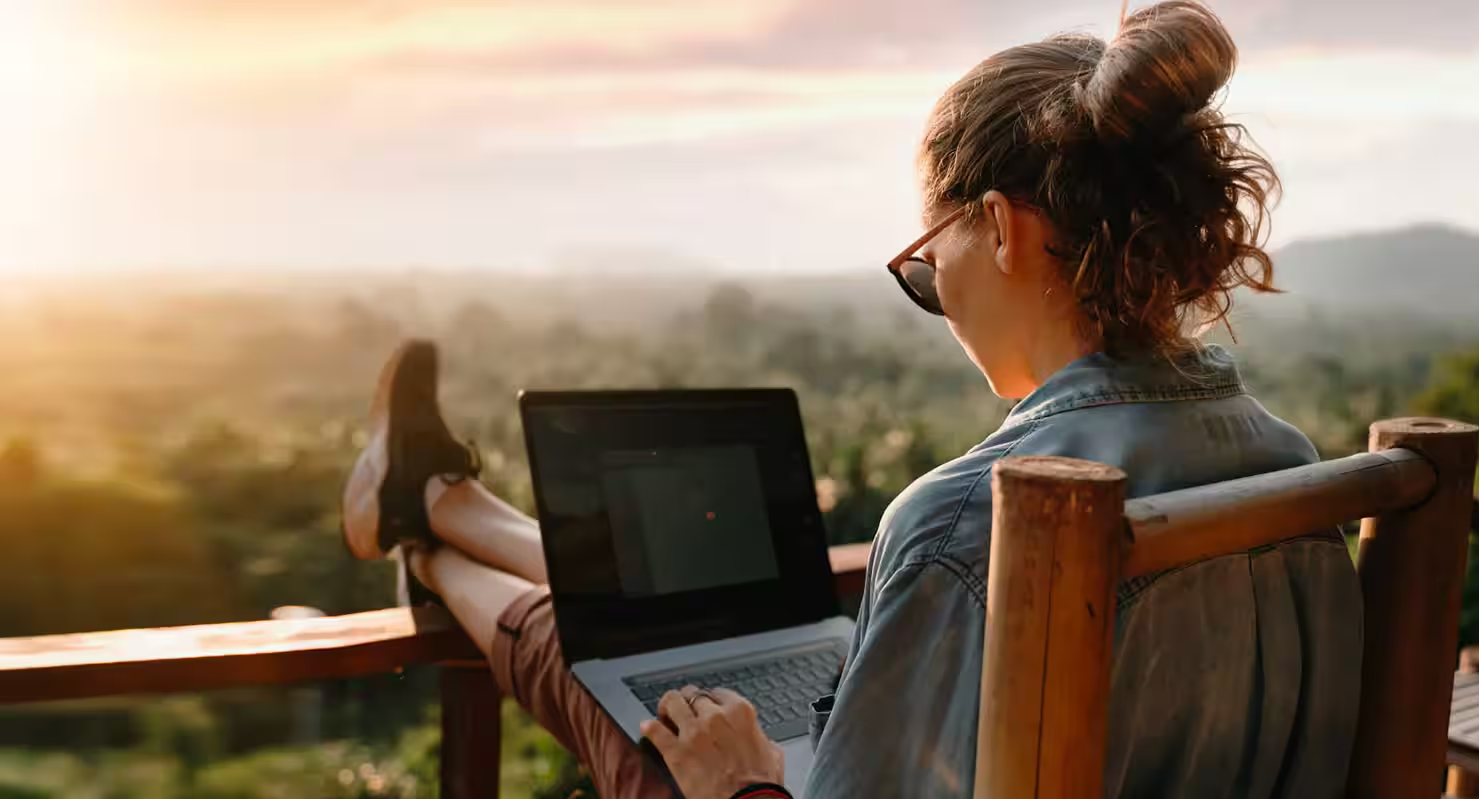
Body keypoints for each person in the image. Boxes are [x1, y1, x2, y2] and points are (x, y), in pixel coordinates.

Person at [339, 2, 1363, 797]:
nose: (936, 294)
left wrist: (739, 778)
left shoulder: (973, 523)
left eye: (928, 263)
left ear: (1000, 229)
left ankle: (425, 535)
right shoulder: (1293, 468)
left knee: (604, 668)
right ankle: (437, 506)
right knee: (663, 635)